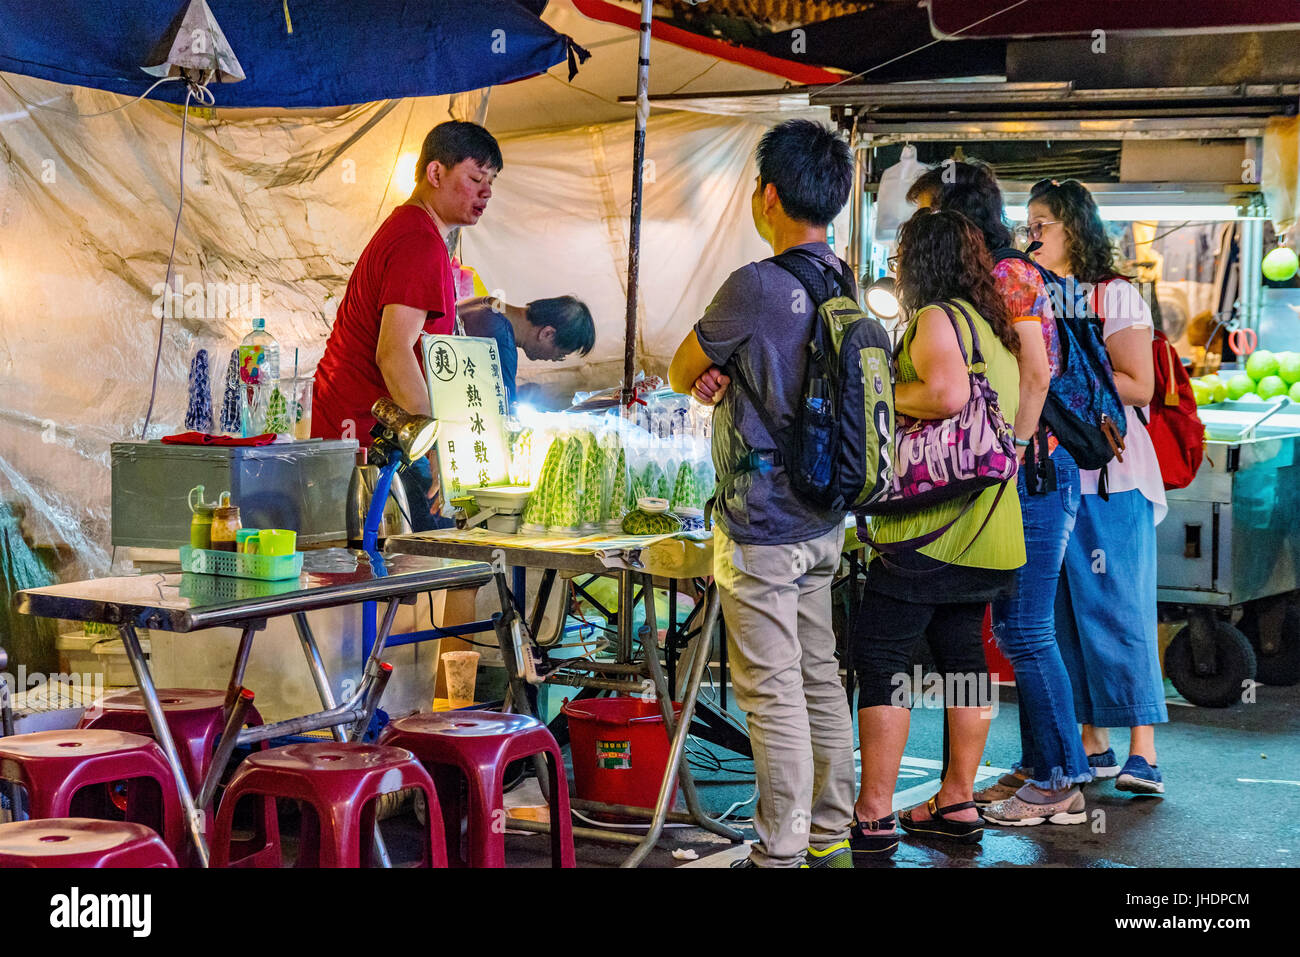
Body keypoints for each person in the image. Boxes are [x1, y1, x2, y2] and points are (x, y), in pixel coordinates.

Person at [668, 118, 856, 869]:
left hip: (765, 521)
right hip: (825, 518)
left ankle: (779, 852)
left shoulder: (755, 284)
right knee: (818, 677)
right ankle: (831, 836)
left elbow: (684, 366)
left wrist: (709, 372)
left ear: (769, 196)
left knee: (772, 693)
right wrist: (727, 374)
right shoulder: (844, 281)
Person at [907, 161, 1096, 826]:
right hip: (1027, 469)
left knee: (1024, 627)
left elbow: (1038, 373)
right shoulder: (990, 275)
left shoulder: (1010, 273)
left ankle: (1061, 780)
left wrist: (1011, 451)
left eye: (933, 211)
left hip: (1038, 472)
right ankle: (1040, 763)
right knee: (1016, 626)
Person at [851, 207, 1024, 855]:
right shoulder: (995, 328)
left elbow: (947, 396)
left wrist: (877, 394)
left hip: (933, 528)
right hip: (991, 527)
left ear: (917, 265)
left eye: (899, 259)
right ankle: (956, 799)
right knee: (962, 659)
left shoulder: (934, 319)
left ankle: (873, 813)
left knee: (883, 657)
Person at [1025, 178, 1168, 795]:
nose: (1031, 235)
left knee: (1117, 608)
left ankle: (1146, 751)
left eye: (1043, 224)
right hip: (1055, 473)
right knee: (1061, 616)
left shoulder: (1116, 296)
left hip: (1114, 475)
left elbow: (1141, 385)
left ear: (1075, 228)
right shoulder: (1030, 293)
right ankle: (1093, 744)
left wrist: (1064, 363)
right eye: (1027, 223)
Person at [312, 120, 502, 529]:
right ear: (435, 173)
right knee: (449, 560)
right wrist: (436, 445)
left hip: (368, 430)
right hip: (373, 437)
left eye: (491, 182)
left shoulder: (418, 233)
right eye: (475, 178)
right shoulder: (418, 241)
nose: (486, 192)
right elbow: (393, 351)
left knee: (435, 568)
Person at [456, 295, 595, 404]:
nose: (553, 360)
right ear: (548, 333)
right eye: (560, 354)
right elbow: (502, 416)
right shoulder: (501, 343)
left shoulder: (492, 303)